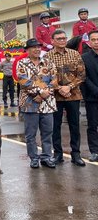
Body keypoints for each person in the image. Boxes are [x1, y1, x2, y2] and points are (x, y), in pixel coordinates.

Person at [45, 29, 86, 166]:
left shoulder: (75, 54)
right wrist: (59, 88)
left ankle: (76, 154)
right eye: (59, 38)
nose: (62, 40)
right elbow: (45, 77)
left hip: (73, 95)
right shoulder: (47, 57)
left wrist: (69, 87)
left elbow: (81, 75)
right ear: (52, 41)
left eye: (64, 38)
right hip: (55, 97)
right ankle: (57, 154)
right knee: (55, 126)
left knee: (74, 126)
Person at [17, 38, 58, 169]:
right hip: (30, 103)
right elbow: (23, 82)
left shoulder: (48, 62)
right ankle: (34, 158)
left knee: (47, 133)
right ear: (27, 50)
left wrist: (45, 93)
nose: (37, 49)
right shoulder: (22, 63)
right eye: (33, 47)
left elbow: (55, 81)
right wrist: (40, 92)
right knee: (30, 134)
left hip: (48, 103)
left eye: (39, 47)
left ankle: (46, 157)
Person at [82, 30, 98, 161]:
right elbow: (84, 77)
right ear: (89, 42)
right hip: (92, 98)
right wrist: (95, 90)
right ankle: (94, 151)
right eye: (93, 40)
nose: (96, 42)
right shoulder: (85, 58)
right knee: (93, 125)